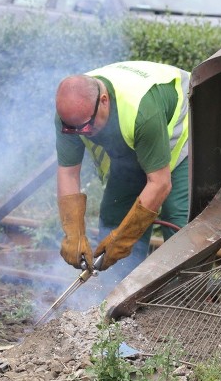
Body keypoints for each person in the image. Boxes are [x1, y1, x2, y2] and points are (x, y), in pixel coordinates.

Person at [54, 61, 190, 287]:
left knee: (176, 214)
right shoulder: (71, 115)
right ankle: (120, 290)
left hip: (178, 128)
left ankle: (185, 294)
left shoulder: (142, 110)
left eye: (85, 127)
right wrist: (73, 233)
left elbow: (160, 183)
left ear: (104, 102)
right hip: (138, 137)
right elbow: (68, 173)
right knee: (114, 212)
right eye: (73, 129)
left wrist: (123, 239)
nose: (80, 134)